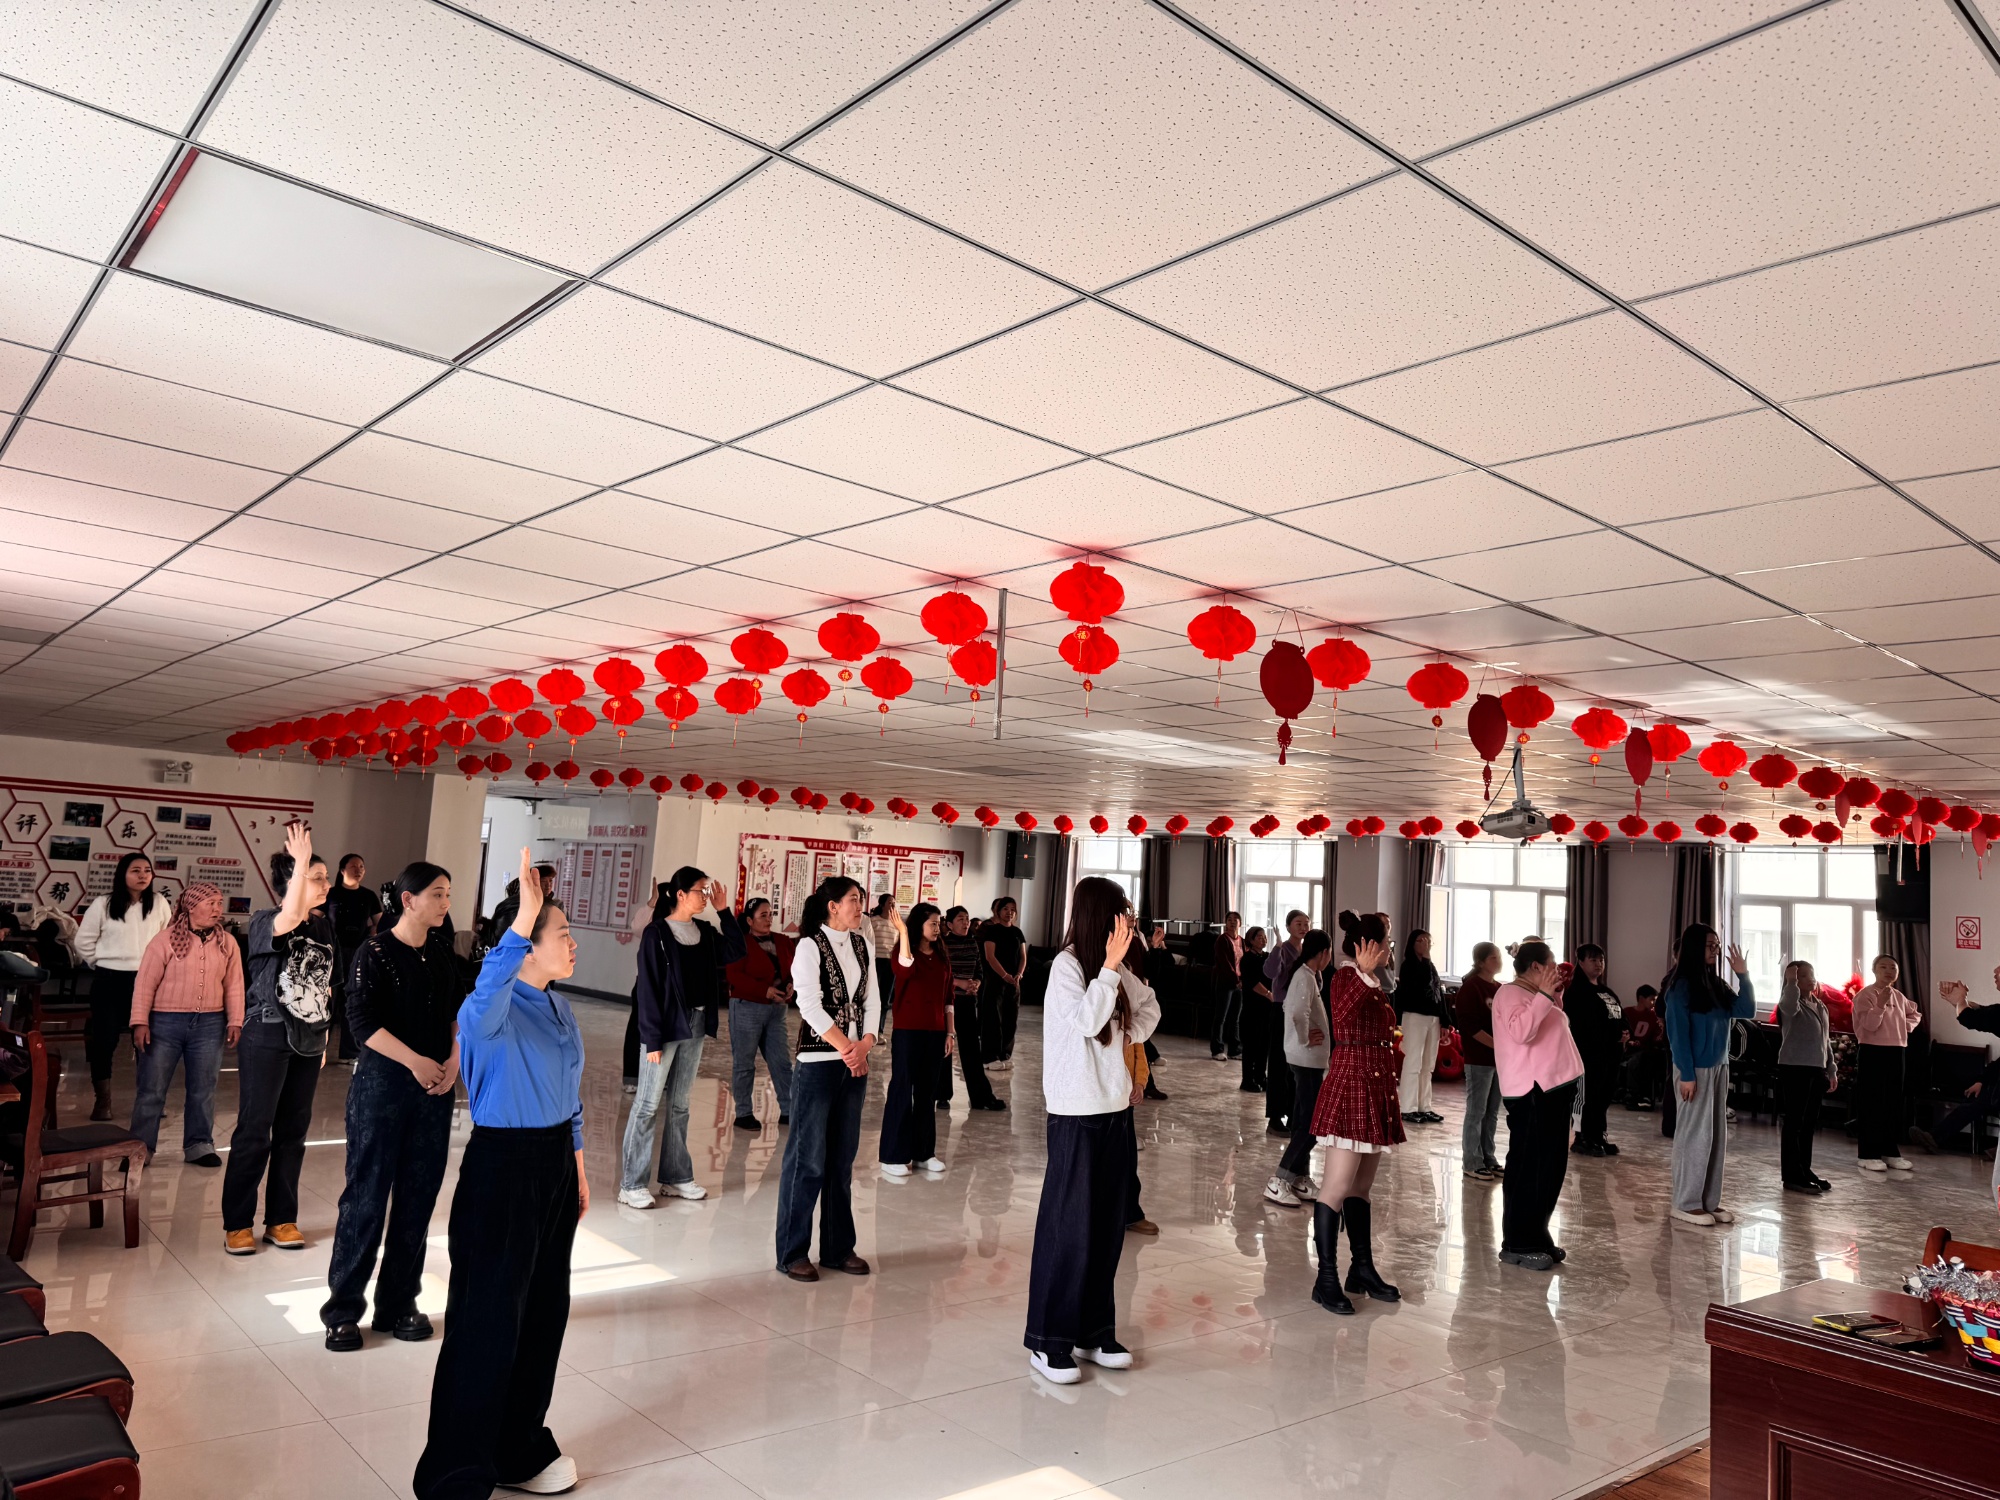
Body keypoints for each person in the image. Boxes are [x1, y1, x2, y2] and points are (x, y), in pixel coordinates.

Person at [414, 851, 587, 1500]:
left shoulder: (560, 1009)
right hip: (503, 1170)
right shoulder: (489, 1009)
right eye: (561, 933)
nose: (572, 943)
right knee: (486, 1321)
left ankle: (518, 1449)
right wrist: (523, 918)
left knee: (543, 1315)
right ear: (527, 946)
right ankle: (456, 1473)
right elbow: (487, 989)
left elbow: (569, 1099)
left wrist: (575, 1171)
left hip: (552, 1166)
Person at [1023, 877, 1159, 1382]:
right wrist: (1108, 970)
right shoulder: (1067, 967)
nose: (1126, 924)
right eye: (1121, 913)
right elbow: (1085, 1022)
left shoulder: (1115, 970)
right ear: (1100, 916)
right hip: (1075, 1112)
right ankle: (1049, 1340)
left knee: (1104, 1228)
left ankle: (1094, 1331)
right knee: (1069, 1227)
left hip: (1114, 1109)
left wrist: (1128, 1028)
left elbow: (1150, 1008)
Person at [322, 862, 463, 1352]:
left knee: (418, 1197)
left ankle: (398, 1303)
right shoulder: (375, 952)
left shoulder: (441, 952)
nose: (446, 903)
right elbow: (361, 1022)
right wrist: (415, 1061)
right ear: (408, 900)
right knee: (366, 1197)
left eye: (448, 893)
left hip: (433, 1092)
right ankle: (343, 1310)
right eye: (438, 894)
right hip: (383, 1090)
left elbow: (456, 1012)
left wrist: (454, 1059)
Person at [223, 825, 334, 1254]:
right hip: (267, 1031)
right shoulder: (265, 920)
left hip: (309, 1036)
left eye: (325, 877)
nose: (325, 885)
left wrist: (323, 1038)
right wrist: (301, 863)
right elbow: (288, 920)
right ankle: (238, 1223)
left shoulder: (324, 928)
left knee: (294, 1130)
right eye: (317, 877)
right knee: (255, 1129)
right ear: (293, 880)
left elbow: (326, 987)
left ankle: (282, 1219)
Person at [776, 876, 880, 1281]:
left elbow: (873, 1001)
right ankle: (792, 1252)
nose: (859, 906)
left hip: (855, 1061)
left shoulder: (863, 944)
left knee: (841, 1160)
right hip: (819, 1061)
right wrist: (847, 1048)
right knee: (807, 1160)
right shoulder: (809, 945)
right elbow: (809, 1004)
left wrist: (865, 1044)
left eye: (861, 900)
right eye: (853, 899)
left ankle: (838, 1249)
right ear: (832, 906)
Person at [622, 868, 743, 1207]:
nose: (706, 896)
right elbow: (647, 989)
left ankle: (675, 1177)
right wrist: (652, 1039)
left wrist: (724, 911)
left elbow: (736, 950)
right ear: (680, 894)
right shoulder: (656, 933)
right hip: (664, 1025)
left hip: (696, 1022)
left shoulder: (704, 931)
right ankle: (631, 1184)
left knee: (680, 1104)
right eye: (701, 891)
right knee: (647, 1105)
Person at [1307, 912, 1404, 1314]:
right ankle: (1326, 1279)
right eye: (1387, 942)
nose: (1390, 949)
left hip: (1374, 1087)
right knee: (1336, 1186)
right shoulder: (1347, 977)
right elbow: (1343, 1018)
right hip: (1351, 1086)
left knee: (1361, 1188)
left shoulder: (1373, 981)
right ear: (1369, 946)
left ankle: (1361, 1268)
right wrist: (1364, 974)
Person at [128, 879, 243, 1166]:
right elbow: (145, 984)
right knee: (152, 1090)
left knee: (203, 1088)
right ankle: (140, 1150)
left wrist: (235, 1020)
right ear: (191, 907)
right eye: (210, 903)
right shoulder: (164, 940)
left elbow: (234, 985)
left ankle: (199, 1146)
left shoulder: (227, 943)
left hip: (209, 1024)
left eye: (219, 903)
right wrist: (140, 1022)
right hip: (164, 1024)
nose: (217, 909)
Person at [1492, 940, 1584, 1271]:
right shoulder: (1509, 993)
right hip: (1531, 1091)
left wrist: (1553, 995)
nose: (1557, 969)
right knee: (1528, 1167)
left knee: (1551, 1167)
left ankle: (1537, 1234)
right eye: (1552, 964)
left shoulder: (1535, 995)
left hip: (1553, 1089)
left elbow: (1550, 1026)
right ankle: (1517, 1242)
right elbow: (1522, 1033)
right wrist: (1545, 995)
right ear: (1536, 967)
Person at [1662, 923, 1755, 1227]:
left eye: (1716, 945)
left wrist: (1743, 975)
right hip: (1694, 1070)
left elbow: (1746, 1009)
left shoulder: (1716, 984)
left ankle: (1707, 1201)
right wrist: (1687, 1074)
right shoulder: (1680, 987)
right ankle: (1685, 1203)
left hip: (1719, 1067)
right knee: (1694, 1136)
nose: (1715, 950)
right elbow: (1677, 1035)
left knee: (1715, 1137)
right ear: (1693, 948)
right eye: (1709, 945)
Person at [74, 851, 170, 1122]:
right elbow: (83, 941)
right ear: (122, 874)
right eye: (135, 870)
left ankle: (150, 1099)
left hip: (148, 981)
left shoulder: (159, 902)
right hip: (109, 980)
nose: (143, 876)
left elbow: (168, 938)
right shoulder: (103, 904)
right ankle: (102, 1101)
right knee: (104, 1040)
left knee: (148, 1042)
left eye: (147, 871)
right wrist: (101, 962)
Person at [879, 902, 953, 1176]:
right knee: (901, 1089)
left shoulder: (942, 957)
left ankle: (924, 1153)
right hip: (908, 1031)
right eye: (932, 923)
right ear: (918, 925)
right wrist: (903, 933)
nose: (937, 928)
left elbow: (949, 998)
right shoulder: (903, 952)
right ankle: (892, 1156)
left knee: (926, 1094)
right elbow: (904, 970)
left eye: (938, 923)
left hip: (935, 1033)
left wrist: (950, 1032)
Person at [1265, 929, 1332, 1206]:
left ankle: (1299, 1178)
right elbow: (1294, 1013)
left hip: (1308, 1060)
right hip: (1305, 1059)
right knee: (1312, 1124)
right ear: (1324, 953)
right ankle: (1279, 1180)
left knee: (1302, 1120)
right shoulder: (1304, 976)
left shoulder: (1310, 975)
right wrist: (1305, 1038)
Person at [723, 896, 794, 1131]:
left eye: (770, 914)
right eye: (763, 915)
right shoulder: (740, 943)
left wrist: (791, 985)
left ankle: (789, 1109)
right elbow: (734, 975)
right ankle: (743, 1112)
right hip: (747, 1007)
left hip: (777, 1010)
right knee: (744, 1063)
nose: (768, 919)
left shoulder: (783, 941)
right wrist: (765, 990)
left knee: (781, 1062)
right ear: (749, 921)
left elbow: (794, 969)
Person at [1852, 954, 1923, 1172]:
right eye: (1883, 967)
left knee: (1893, 1102)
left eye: (1893, 967)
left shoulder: (1899, 996)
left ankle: (1890, 1151)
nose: (1889, 971)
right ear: (1874, 970)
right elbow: (1870, 1026)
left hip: (1896, 1051)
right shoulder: (1865, 996)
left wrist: (1905, 1027)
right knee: (1871, 1102)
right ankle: (1867, 1154)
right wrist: (1880, 1005)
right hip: (1872, 1051)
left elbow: (1915, 1014)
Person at [1776, 959, 1837, 1194]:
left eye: (1810, 974)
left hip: (1816, 1068)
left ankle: (1804, 1169)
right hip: (1794, 1067)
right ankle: (1792, 1176)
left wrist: (1831, 1069)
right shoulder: (1791, 1002)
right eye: (1802, 976)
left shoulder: (1820, 1005)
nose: (1809, 979)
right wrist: (1791, 982)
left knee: (1809, 1123)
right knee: (1795, 1122)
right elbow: (1789, 1006)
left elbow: (1826, 1041)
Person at [1564, 944, 1624, 1157]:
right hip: (1587, 1055)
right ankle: (1581, 1137)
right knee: (1585, 1097)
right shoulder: (1576, 993)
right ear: (1581, 962)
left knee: (1603, 1096)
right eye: (1593, 960)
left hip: (1610, 1055)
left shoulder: (1606, 992)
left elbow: (1619, 1016)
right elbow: (1580, 1025)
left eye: (1601, 960)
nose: (1599, 964)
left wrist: (1624, 1032)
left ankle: (1598, 1135)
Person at [940, 906, 1002, 1112]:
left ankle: (980, 1097)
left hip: (968, 1001)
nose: (966, 922)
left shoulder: (973, 943)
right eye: (960, 919)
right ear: (949, 924)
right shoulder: (943, 944)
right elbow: (940, 977)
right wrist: (961, 983)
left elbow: (979, 970)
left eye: (967, 919)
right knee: (945, 1048)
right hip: (948, 1003)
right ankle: (942, 1095)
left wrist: (976, 982)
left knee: (972, 1051)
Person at [1455, 942, 1505, 1182]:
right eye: (1494, 957)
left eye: (1499, 956)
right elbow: (1469, 1026)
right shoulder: (1471, 987)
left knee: (1492, 1112)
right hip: (1479, 1059)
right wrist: (1498, 1045)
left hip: (1499, 1060)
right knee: (1476, 1111)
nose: (1499, 961)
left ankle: (1488, 1157)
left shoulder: (1499, 988)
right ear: (1482, 961)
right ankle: (1472, 1161)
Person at [327, 853, 377, 1062]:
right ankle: (319, 1049)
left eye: (361, 866)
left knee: (352, 1001)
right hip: (331, 953)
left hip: (357, 953)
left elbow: (379, 922)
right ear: (342, 870)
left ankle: (349, 1053)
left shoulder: (369, 896)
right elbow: (317, 918)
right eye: (354, 866)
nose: (359, 870)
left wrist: (370, 939)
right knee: (328, 1001)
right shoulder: (330, 894)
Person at [1394, 929, 1447, 1125]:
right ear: (1412, 943)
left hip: (1433, 1018)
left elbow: (1438, 993)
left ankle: (1425, 1106)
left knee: (1428, 1065)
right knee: (1413, 1062)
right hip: (1415, 1016)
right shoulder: (1408, 965)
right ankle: (1408, 1107)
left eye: (1428, 941)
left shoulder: (1430, 965)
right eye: (1420, 941)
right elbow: (1418, 985)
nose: (1425, 944)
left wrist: (1445, 1020)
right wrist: (1425, 959)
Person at [1244, 926, 1285, 1124]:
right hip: (1253, 1005)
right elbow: (1252, 982)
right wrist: (1269, 994)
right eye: (1258, 937)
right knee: (1251, 1043)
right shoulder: (1247, 959)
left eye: (1263, 937)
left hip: (1268, 1007)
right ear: (1251, 940)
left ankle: (1261, 1076)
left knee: (1264, 1044)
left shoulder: (1267, 957)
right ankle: (1247, 1079)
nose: (1262, 940)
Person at [981, 898, 1027, 1070]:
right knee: (993, 1018)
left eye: (1013, 909)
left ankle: (1005, 1055)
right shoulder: (992, 931)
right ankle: (989, 1057)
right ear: (998, 911)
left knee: (1010, 1019)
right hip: (995, 980)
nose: (1010, 912)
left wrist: (1019, 974)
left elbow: (1023, 956)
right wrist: (1004, 975)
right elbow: (990, 957)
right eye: (1006, 908)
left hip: (1014, 982)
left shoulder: (1017, 932)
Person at [1620, 985, 1665, 1109]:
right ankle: (1625, 1093)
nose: (1653, 1003)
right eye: (1651, 999)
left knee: (1640, 1059)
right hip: (1627, 1049)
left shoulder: (1654, 1016)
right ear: (1641, 999)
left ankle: (1635, 1094)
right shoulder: (1627, 1012)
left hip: (1645, 1051)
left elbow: (1657, 1038)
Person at [1211, 911, 1243, 1063]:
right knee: (1221, 1017)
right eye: (1229, 919)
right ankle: (1217, 1049)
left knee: (1235, 1018)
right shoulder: (1222, 940)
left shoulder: (1242, 941)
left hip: (1239, 983)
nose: (1232, 922)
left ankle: (1234, 1050)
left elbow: (1243, 962)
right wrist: (1236, 980)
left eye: (1235, 920)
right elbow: (1225, 963)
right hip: (1226, 982)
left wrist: (1242, 980)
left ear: (1240, 923)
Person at [866, 894, 900, 1022]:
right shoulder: (873, 921)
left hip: (890, 962)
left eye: (894, 903)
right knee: (872, 994)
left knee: (886, 996)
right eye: (890, 902)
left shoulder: (896, 923)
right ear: (882, 905)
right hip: (876, 960)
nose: (893, 905)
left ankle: (880, 1027)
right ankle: (869, 1024)